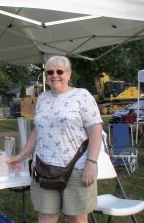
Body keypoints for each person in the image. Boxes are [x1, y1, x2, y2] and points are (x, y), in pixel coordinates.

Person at [6, 56, 103, 223]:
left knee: (77, 217)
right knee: (46, 216)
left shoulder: (82, 95)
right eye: (50, 72)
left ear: (69, 74)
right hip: (45, 168)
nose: (55, 75)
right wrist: (20, 156)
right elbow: (38, 130)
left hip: (76, 168)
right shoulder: (42, 98)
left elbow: (95, 129)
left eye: (60, 71)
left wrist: (91, 163)